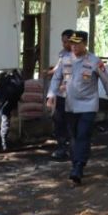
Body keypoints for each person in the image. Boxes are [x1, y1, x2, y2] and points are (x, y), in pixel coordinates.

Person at [46, 31, 108, 185]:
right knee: (74, 136)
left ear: (85, 44)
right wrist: (51, 95)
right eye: (72, 44)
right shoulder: (65, 59)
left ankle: (78, 167)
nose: (73, 47)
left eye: (77, 44)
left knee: (83, 134)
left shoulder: (95, 61)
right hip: (70, 105)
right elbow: (56, 78)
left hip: (88, 105)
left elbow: (107, 82)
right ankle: (77, 162)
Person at [44, 29, 74, 161]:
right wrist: (49, 73)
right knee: (58, 120)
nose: (64, 44)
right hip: (61, 94)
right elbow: (58, 70)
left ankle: (72, 149)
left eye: (66, 42)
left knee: (70, 123)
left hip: (73, 95)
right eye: (63, 41)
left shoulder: (79, 56)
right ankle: (61, 147)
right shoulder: (63, 54)